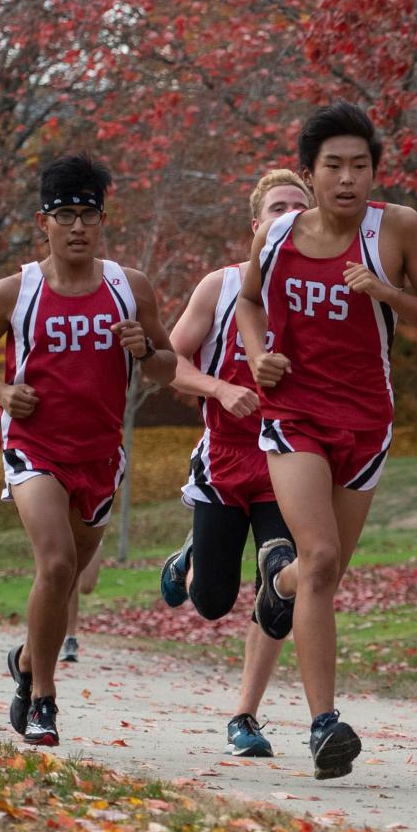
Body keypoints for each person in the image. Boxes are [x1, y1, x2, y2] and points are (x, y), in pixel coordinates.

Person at [241, 103, 417, 779]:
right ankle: (325, 724)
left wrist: (386, 291)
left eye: (360, 166)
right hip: (293, 412)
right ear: (308, 174)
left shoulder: (397, 229)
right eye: (333, 165)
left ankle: (279, 581)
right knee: (324, 553)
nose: (347, 177)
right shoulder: (276, 236)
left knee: (321, 574)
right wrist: (256, 356)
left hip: (366, 421)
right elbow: (249, 301)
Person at [0, 152, 177, 746]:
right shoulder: (14, 291)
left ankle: (29, 658)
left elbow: (167, 366)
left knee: (68, 578)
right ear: (44, 222)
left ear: (103, 221)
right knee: (54, 564)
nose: (78, 226)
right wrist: (2, 391)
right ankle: (43, 700)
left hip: (101, 454)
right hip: (35, 447)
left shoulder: (129, 288)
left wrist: (144, 352)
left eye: (89, 214)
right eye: (66, 215)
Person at [158, 168, 311, 757]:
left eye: (300, 207)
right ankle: (193, 555)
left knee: (281, 586)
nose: (289, 215)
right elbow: (168, 361)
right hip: (224, 459)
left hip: (290, 459)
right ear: (256, 224)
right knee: (214, 602)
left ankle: (245, 716)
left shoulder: (323, 292)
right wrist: (220, 390)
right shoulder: (219, 287)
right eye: (278, 207)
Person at [60, 549, 101, 663]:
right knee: (71, 577)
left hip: (92, 532)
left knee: (86, 586)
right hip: (64, 533)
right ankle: (70, 638)